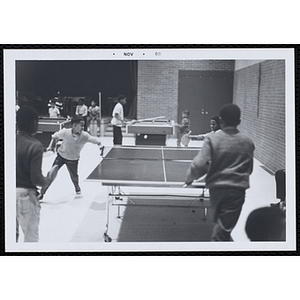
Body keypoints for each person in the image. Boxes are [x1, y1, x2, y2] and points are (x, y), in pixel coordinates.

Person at [185, 104, 255, 241]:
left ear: (221, 121)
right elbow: (250, 169)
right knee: (222, 231)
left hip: (216, 190)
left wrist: (189, 177)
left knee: (220, 228)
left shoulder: (213, 139)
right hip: (237, 192)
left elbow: (199, 164)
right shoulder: (248, 142)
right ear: (239, 122)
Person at [38, 115, 102, 200]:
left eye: (83, 125)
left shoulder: (85, 136)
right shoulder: (65, 132)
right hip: (61, 156)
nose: (83, 127)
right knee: (51, 174)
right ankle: (42, 193)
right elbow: (54, 136)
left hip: (73, 159)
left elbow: (95, 140)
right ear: (74, 125)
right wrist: (51, 146)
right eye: (81, 125)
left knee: (74, 176)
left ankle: (77, 188)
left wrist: (100, 145)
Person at [16, 106, 51, 242]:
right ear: (34, 123)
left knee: (9, 240)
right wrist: (46, 181)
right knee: (31, 239)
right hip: (25, 197)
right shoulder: (34, 145)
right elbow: (36, 179)